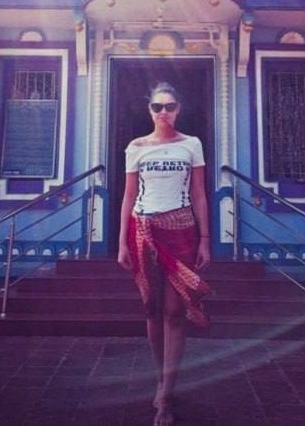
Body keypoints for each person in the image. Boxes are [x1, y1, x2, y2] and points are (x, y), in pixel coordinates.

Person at [117, 82, 211, 426]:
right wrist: (121, 242)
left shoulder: (191, 145)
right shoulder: (136, 147)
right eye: (157, 107)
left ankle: (167, 396)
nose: (163, 113)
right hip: (143, 231)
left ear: (179, 109)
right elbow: (129, 196)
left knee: (175, 312)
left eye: (170, 106)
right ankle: (161, 378)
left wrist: (205, 239)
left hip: (182, 230)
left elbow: (199, 193)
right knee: (152, 310)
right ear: (150, 110)